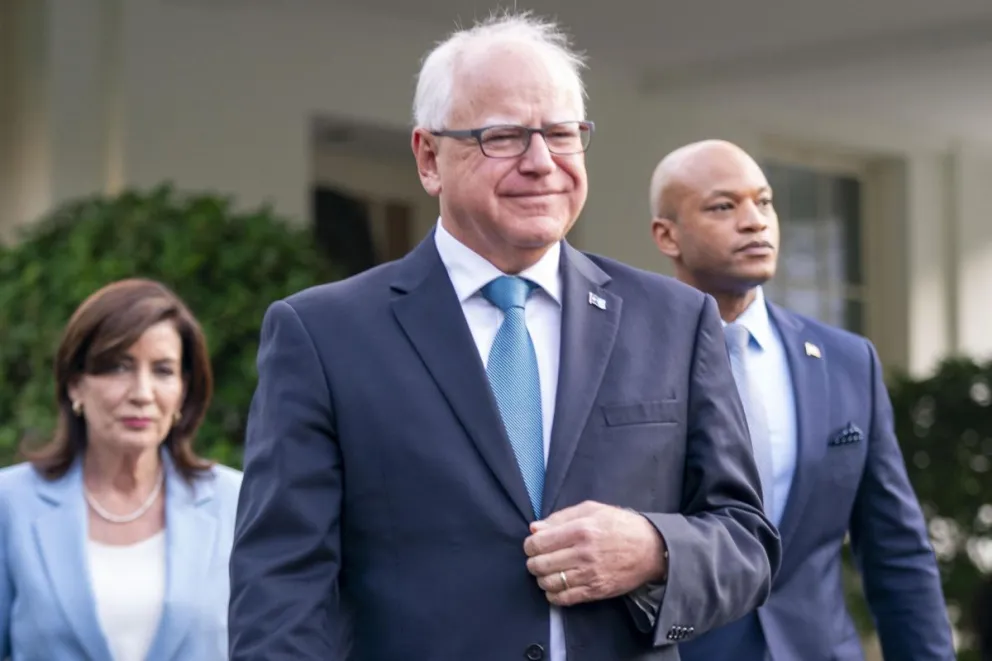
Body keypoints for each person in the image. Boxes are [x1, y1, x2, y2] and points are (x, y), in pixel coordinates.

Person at [229, 14, 780, 661]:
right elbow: (281, 585)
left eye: (562, 134)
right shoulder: (322, 335)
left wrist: (653, 547)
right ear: (429, 157)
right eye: (505, 137)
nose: (541, 162)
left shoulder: (675, 320)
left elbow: (747, 543)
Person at [648, 139, 955, 660]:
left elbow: (896, 550)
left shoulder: (847, 360)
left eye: (763, 202)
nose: (754, 221)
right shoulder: (630, 359)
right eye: (724, 206)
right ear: (667, 235)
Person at [0, 278, 242, 661]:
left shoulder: (236, 502)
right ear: (75, 384)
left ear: (183, 390)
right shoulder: (9, 505)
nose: (142, 393)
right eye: (118, 368)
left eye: (163, 370)